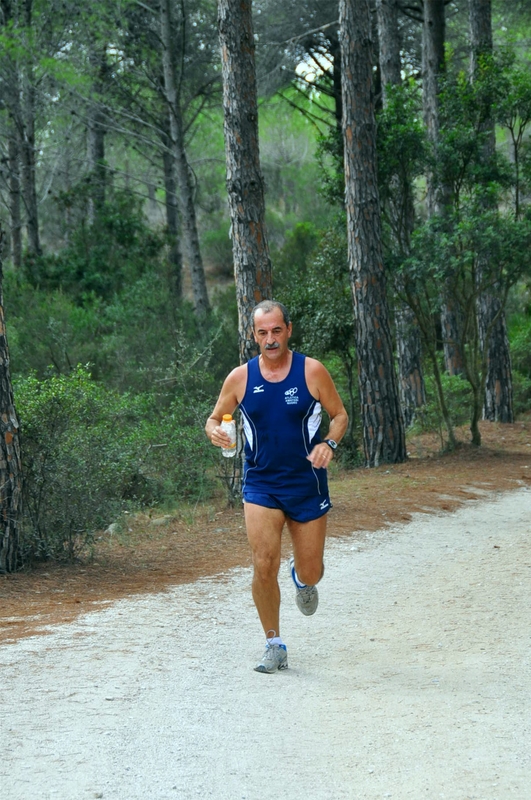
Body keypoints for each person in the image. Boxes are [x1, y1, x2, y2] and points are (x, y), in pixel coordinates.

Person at [205, 300, 348, 673]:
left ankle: (302, 579)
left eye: (276, 331)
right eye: (262, 333)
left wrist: (328, 444)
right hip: (261, 483)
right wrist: (217, 432)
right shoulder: (239, 378)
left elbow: (340, 416)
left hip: (306, 482)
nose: (270, 340)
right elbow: (213, 419)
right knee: (263, 562)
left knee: (312, 569)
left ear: (288, 329)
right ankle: (274, 643)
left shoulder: (312, 371)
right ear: (253, 335)